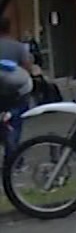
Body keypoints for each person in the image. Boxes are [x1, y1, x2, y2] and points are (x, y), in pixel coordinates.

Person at [0, 15, 35, 157]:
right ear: (10, 28)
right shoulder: (19, 47)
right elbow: (27, 69)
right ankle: (13, 156)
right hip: (15, 92)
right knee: (16, 121)